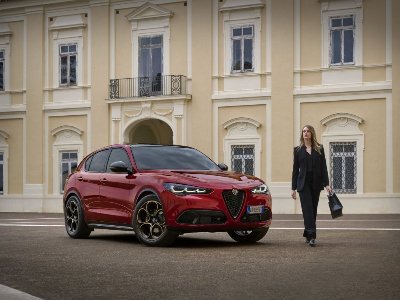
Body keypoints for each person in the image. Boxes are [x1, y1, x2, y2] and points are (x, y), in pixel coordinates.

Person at [291, 125, 332, 247]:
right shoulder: (298, 150)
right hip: (303, 184)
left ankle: (308, 233)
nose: (305, 133)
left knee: (313, 209)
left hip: (315, 183)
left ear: (312, 133)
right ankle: (312, 235)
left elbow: (323, 167)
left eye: (308, 131)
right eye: (304, 131)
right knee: (307, 208)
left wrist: (327, 184)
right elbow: (295, 170)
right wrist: (293, 188)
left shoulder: (319, 149)